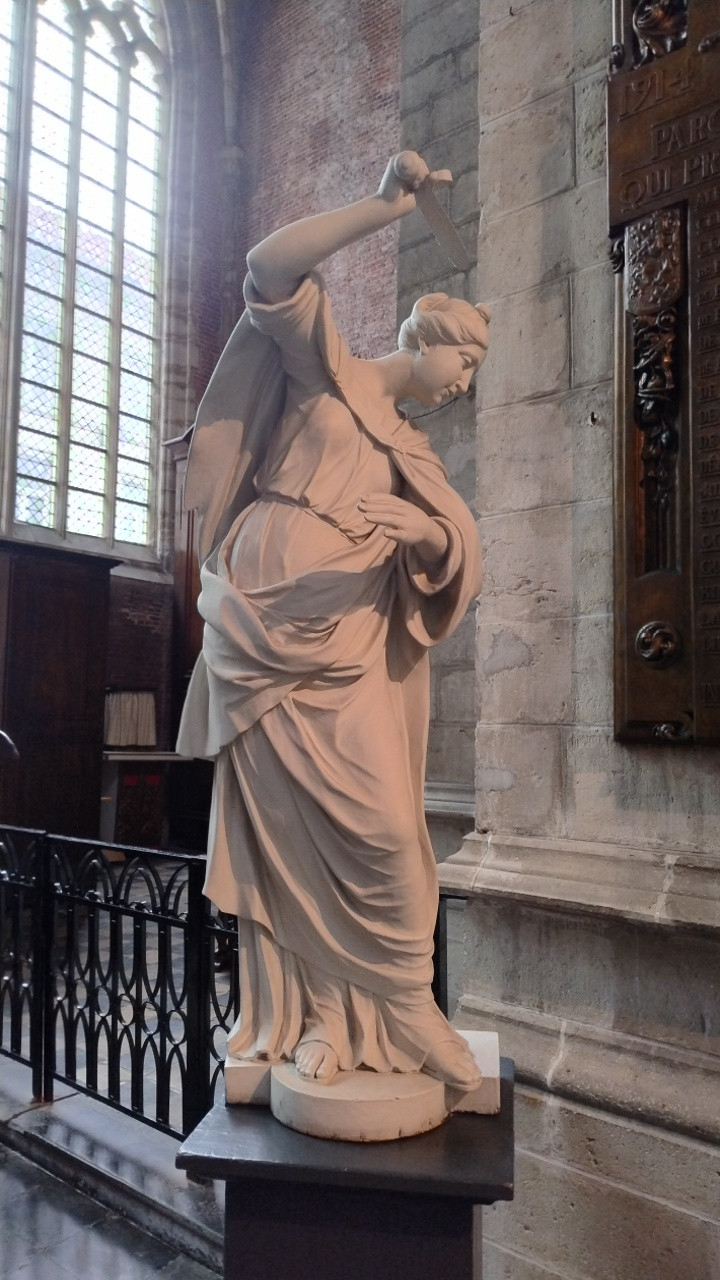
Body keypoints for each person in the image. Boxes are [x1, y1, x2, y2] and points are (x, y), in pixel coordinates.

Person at [177, 151, 490, 1089]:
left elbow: (456, 551)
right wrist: (382, 207)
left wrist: (425, 531)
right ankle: (319, 1021)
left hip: (346, 643)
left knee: (388, 832)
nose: (465, 382)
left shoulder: (413, 453)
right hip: (261, 621)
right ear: (427, 336)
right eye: (466, 361)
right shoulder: (329, 372)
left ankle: (405, 1003)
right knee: (285, 842)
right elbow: (269, 268)